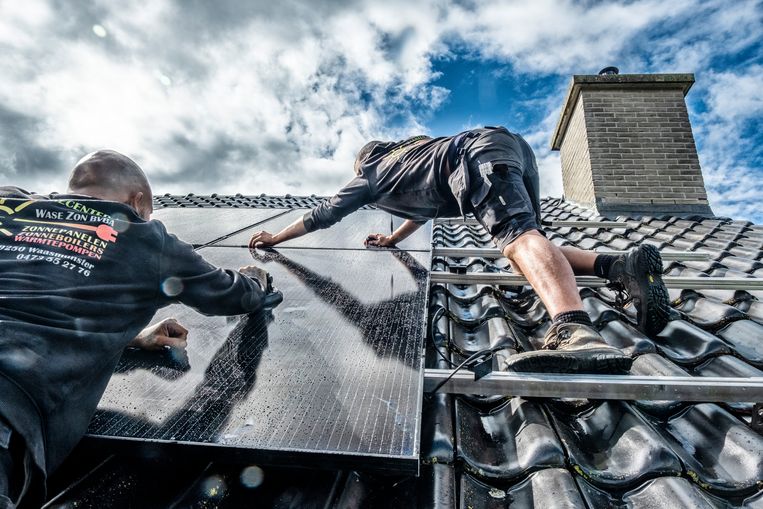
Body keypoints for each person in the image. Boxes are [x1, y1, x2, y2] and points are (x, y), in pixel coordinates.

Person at [250, 126, 669, 374]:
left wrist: (274, 239)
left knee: (518, 239)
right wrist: (394, 240)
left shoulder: (372, 173)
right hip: (509, 148)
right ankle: (618, 265)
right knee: (524, 242)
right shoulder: (413, 157)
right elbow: (429, 208)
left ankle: (575, 331)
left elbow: (324, 213)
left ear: (361, 164)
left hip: (478, 154)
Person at [0, 150, 281, 507]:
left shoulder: (8, 201)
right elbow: (235, 296)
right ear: (138, 202)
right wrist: (255, 278)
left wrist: (130, 336)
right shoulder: (143, 237)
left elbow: (28, 300)